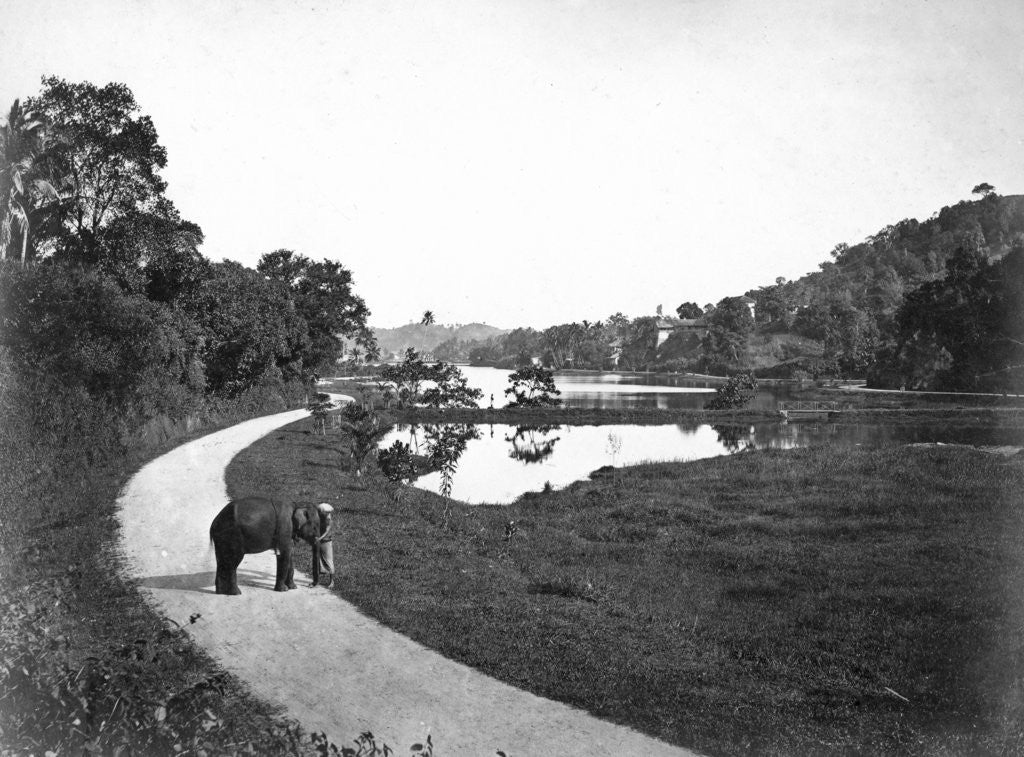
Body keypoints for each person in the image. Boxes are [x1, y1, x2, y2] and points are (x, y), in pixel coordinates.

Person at [313, 502, 335, 588]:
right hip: (320, 541)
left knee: (329, 561)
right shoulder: (319, 518)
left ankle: (331, 581)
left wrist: (319, 538)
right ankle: (316, 581)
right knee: (317, 561)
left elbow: (327, 532)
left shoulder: (329, 519)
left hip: (326, 542)